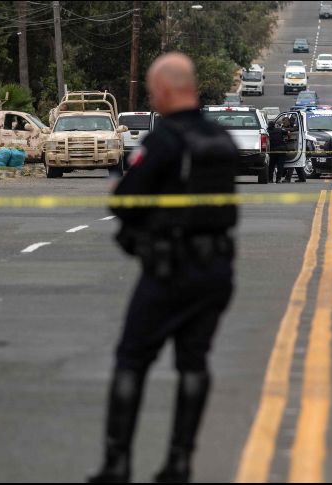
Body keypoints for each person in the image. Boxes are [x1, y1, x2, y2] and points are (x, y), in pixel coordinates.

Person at [88, 53, 238, 484]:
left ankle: (117, 465)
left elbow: (125, 200)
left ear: (168, 90)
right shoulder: (220, 141)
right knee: (194, 363)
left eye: (154, 90)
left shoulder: (163, 141)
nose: (153, 98)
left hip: (169, 269)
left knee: (131, 359)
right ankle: (179, 463)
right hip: (215, 269)